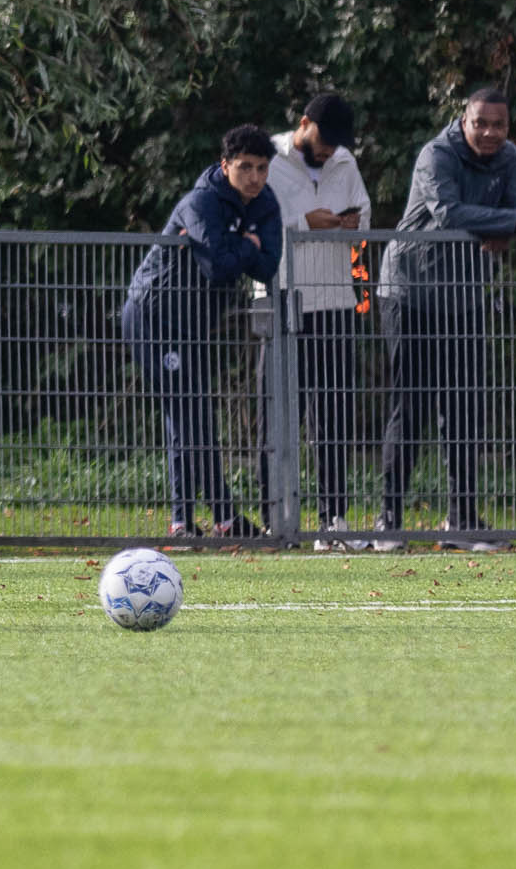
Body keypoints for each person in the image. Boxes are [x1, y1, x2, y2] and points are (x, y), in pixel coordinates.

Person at [373, 88, 516, 553]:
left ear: (508, 127)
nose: (490, 133)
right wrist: (506, 223)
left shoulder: (509, 157)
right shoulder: (436, 155)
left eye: (499, 125)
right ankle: (388, 522)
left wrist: (513, 220)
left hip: (465, 298)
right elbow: (447, 211)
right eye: (480, 123)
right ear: (462, 120)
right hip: (410, 292)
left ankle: (461, 522)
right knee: (411, 408)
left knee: (465, 407)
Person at [120, 125, 282, 541]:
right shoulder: (201, 202)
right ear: (224, 165)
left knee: (187, 415)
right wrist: (247, 245)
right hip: (154, 317)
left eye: (262, 168)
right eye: (245, 167)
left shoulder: (265, 203)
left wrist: (238, 247)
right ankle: (225, 517)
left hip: (192, 325)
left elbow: (267, 268)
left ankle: (182, 522)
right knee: (190, 415)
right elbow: (221, 267)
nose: (254, 178)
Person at [261, 95, 371, 550]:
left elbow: (366, 218)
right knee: (277, 414)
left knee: (333, 415)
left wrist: (351, 225)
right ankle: (275, 523)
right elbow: (256, 218)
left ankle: (334, 522)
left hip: (334, 300)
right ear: (304, 124)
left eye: (336, 144)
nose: (329, 151)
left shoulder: (344, 161)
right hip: (281, 299)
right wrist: (305, 221)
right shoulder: (267, 157)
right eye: (324, 140)